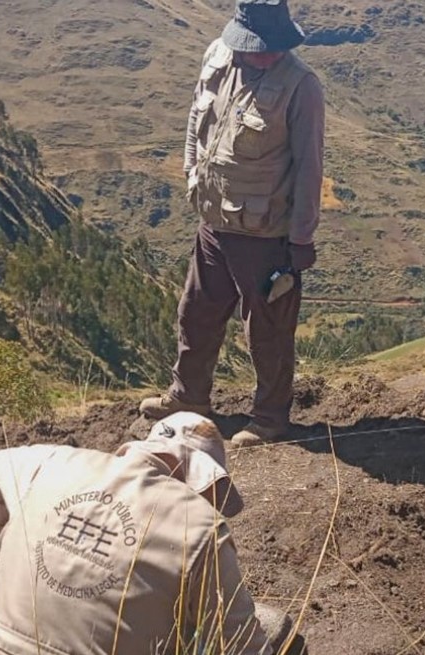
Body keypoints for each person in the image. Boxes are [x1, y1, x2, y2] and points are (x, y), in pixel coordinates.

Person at [139, 0, 326, 448]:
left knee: (267, 329)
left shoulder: (303, 88)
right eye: (257, 47)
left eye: (272, 47)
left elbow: (309, 169)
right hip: (214, 221)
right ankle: (189, 399)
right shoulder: (217, 57)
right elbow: (195, 123)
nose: (265, 55)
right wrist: (191, 175)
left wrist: (301, 239)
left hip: (266, 233)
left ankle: (269, 419)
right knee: (196, 313)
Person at [0, 412, 299, 655]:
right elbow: (243, 648)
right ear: (200, 478)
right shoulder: (198, 527)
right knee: (274, 629)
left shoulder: (50, 461)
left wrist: (7, 537)